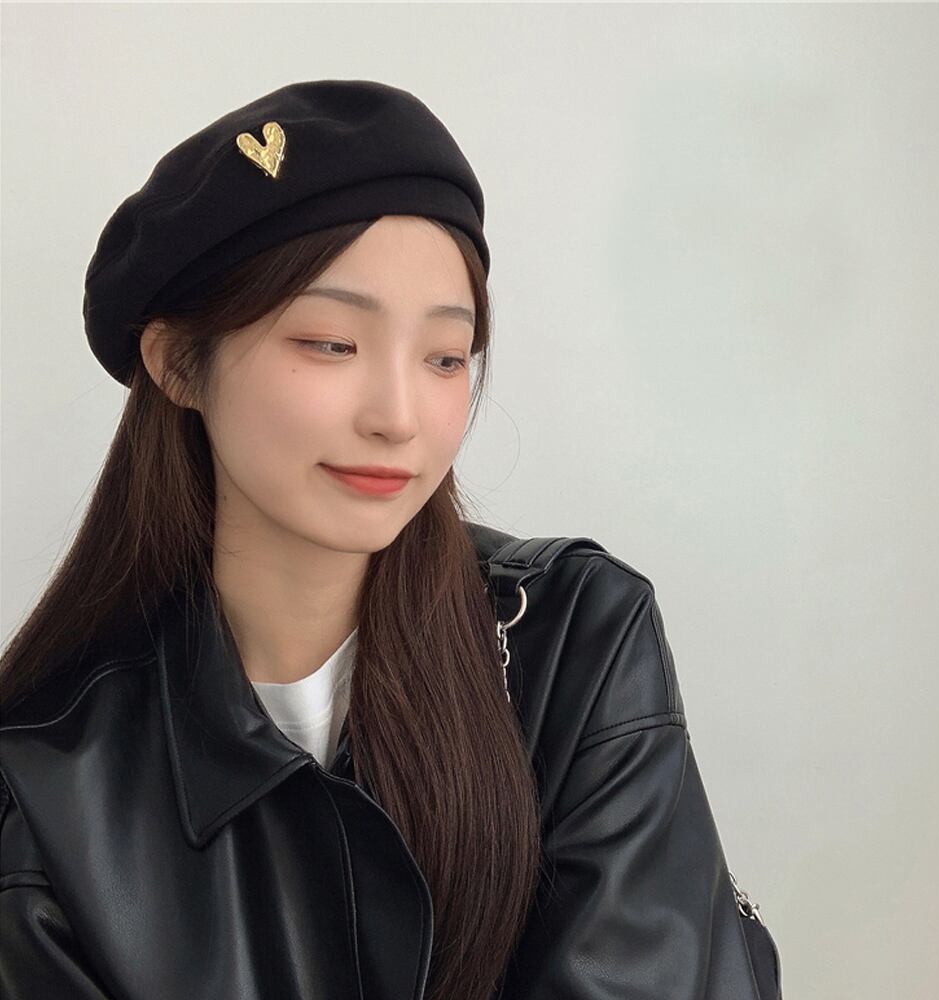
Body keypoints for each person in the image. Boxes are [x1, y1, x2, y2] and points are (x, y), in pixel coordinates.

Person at [0, 80, 777, 1000]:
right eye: (332, 343)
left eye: (445, 358)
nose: (399, 417)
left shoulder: (574, 642)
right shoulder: (46, 784)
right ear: (177, 364)